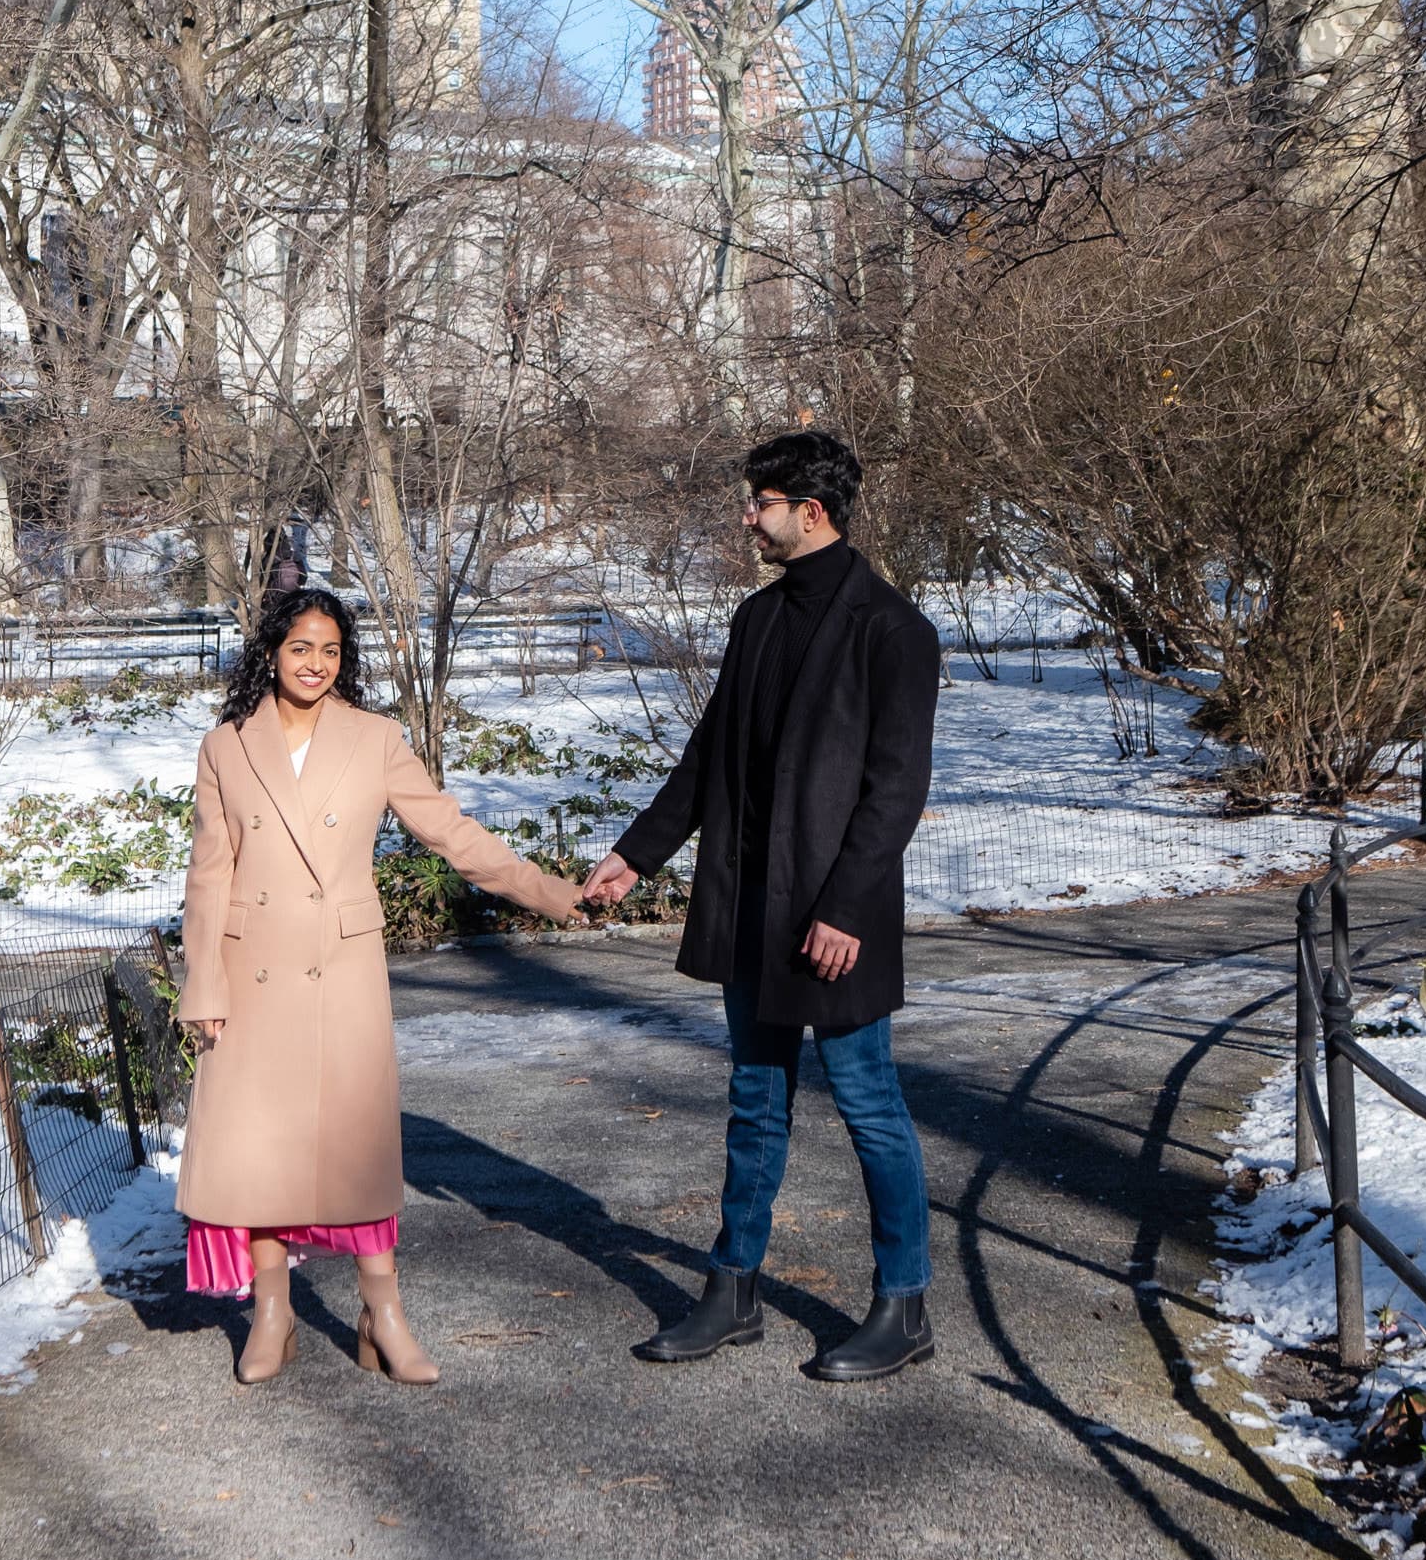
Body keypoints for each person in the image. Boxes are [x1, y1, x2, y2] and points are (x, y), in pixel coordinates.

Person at [582, 429, 943, 1381]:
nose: (748, 518)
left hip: (836, 919)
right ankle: (732, 1291)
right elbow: (708, 758)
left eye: (760, 502)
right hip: (750, 906)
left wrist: (847, 910)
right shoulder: (757, 619)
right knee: (755, 1100)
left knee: (870, 1105)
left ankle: (903, 1306)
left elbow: (896, 790)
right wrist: (636, 854)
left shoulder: (893, 629)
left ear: (808, 512)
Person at [175, 588, 584, 1384]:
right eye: (300, 648)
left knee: (359, 1150)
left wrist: (548, 893)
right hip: (252, 974)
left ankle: (382, 1312)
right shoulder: (226, 746)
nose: (315, 665)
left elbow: (452, 833)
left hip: (341, 974)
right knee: (258, 1153)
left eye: (330, 651)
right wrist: (203, 985)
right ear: (271, 653)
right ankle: (273, 1313)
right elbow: (208, 875)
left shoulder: (375, 739)